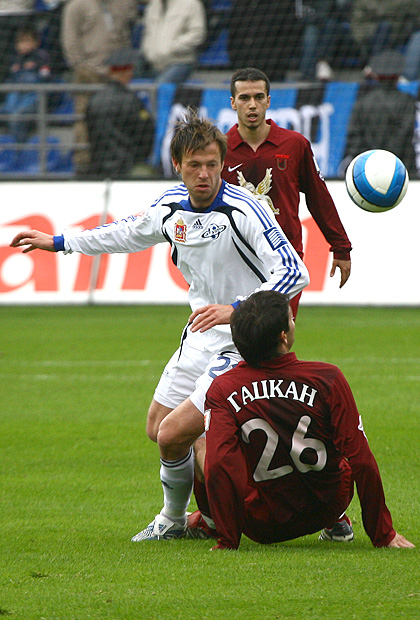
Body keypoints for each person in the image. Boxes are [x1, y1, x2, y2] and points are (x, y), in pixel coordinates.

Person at [10, 109, 310, 542]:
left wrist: (237, 309)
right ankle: (206, 514)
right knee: (159, 427)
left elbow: (294, 271)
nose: (204, 174)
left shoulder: (245, 210)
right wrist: (58, 242)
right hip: (200, 337)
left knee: (186, 434)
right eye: (195, 165)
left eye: (212, 164)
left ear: (222, 163)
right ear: (177, 165)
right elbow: (124, 232)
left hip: (242, 342)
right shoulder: (170, 207)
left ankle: (199, 517)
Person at [200, 290, 415, 550]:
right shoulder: (327, 378)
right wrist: (384, 534)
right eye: (291, 319)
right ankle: (338, 523)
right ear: (283, 336)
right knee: (342, 452)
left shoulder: (223, 388)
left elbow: (219, 465)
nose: (294, 323)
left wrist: (228, 540)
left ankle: (207, 524)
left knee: (202, 444)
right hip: (329, 505)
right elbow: (361, 460)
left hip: (261, 524)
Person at [222, 67, 352, 317]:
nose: (252, 105)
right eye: (244, 98)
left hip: (284, 258)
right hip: (236, 257)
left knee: (279, 331)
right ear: (233, 103)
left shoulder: (294, 144)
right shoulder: (220, 149)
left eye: (259, 97)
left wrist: (341, 247)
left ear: (268, 101)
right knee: (238, 333)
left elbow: (319, 198)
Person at [60, 0, 138, 175]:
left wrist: (123, 65)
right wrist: (81, 66)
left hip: (115, 73)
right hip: (89, 73)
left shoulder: (119, 4)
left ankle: (115, 159)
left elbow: (124, 35)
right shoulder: (76, 6)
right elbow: (70, 40)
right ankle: (83, 162)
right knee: (83, 118)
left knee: (116, 118)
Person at [342, 50, 417, 176]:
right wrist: (388, 158)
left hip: (368, 170)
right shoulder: (407, 101)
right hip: (401, 169)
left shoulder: (362, 102)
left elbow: (354, 137)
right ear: (398, 75)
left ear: (375, 75)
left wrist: (369, 159)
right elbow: (404, 134)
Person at [85, 48, 155, 178]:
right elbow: (146, 132)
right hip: (126, 167)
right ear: (127, 72)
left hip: (98, 168)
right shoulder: (131, 100)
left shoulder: (94, 100)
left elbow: (90, 132)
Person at [0, 25, 51, 144]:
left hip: (33, 98)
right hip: (14, 98)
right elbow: (9, 81)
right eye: (20, 42)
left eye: (27, 41)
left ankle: (20, 149)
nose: (23, 45)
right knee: (8, 112)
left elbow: (45, 77)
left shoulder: (41, 57)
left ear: (36, 43)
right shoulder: (14, 60)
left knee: (16, 117)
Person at [138, 0, 207, 85]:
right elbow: (147, 32)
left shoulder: (191, 3)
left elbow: (197, 33)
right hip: (154, 63)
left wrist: (172, 47)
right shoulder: (152, 5)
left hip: (180, 61)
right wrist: (148, 50)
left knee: (161, 88)